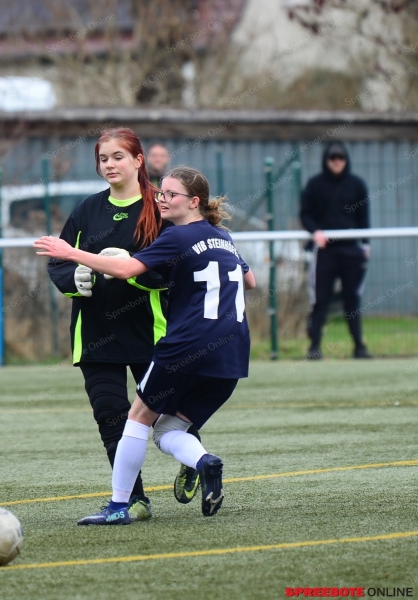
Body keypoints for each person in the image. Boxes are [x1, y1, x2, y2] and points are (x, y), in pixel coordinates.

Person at [35, 166, 256, 524]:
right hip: (232, 351)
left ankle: (120, 505)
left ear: (194, 202)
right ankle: (204, 462)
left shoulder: (177, 237)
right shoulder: (223, 237)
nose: (162, 199)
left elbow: (123, 271)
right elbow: (251, 279)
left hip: (185, 346)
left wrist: (70, 252)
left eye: (171, 194)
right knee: (169, 429)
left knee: (136, 420)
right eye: (161, 193)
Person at [47, 128, 201, 523]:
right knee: (111, 417)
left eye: (118, 156)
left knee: (166, 419)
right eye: (103, 158)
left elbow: (176, 269)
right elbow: (60, 261)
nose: (109, 164)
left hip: (150, 334)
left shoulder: (160, 207)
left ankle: (193, 456)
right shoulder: (86, 210)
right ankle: (133, 500)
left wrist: (131, 271)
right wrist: (71, 281)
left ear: (138, 160)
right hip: (95, 335)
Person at [300, 141, 371, 360]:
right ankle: (314, 347)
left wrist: (365, 244)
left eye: (341, 157)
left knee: (352, 299)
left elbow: (363, 217)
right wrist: (316, 232)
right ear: (326, 160)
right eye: (333, 158)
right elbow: (306, 214)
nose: (337, 161)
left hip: (351, 250)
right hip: (325, 250)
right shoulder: (314, 185)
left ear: (346, 159)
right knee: (320, 299)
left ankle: (359, 346)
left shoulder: (357, 184)